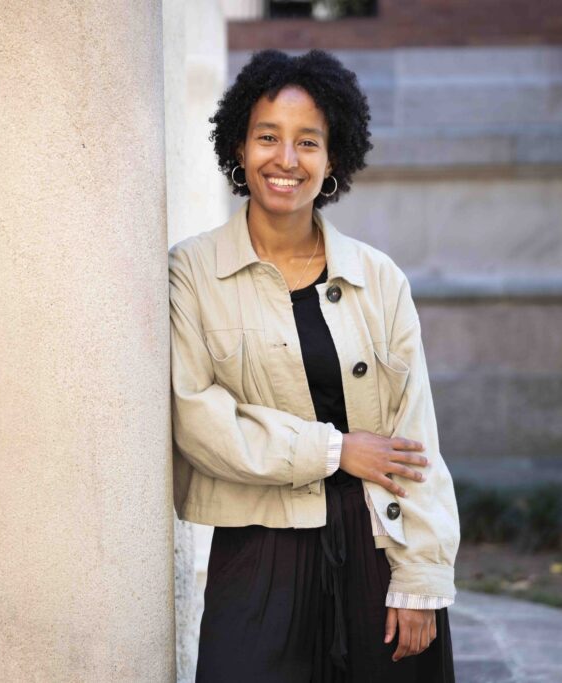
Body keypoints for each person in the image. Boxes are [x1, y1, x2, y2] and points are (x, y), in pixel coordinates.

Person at [169, 49, 459, 682]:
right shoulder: (191, 273)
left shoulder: (379, 279)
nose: (286, 160)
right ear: (240, 148)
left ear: (332, 160)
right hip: (258, 546)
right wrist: (335, 451)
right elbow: (198, 420)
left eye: (308, 142)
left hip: (379, 542)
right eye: (267, 137)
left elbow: (418, 438)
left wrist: (421, 578)